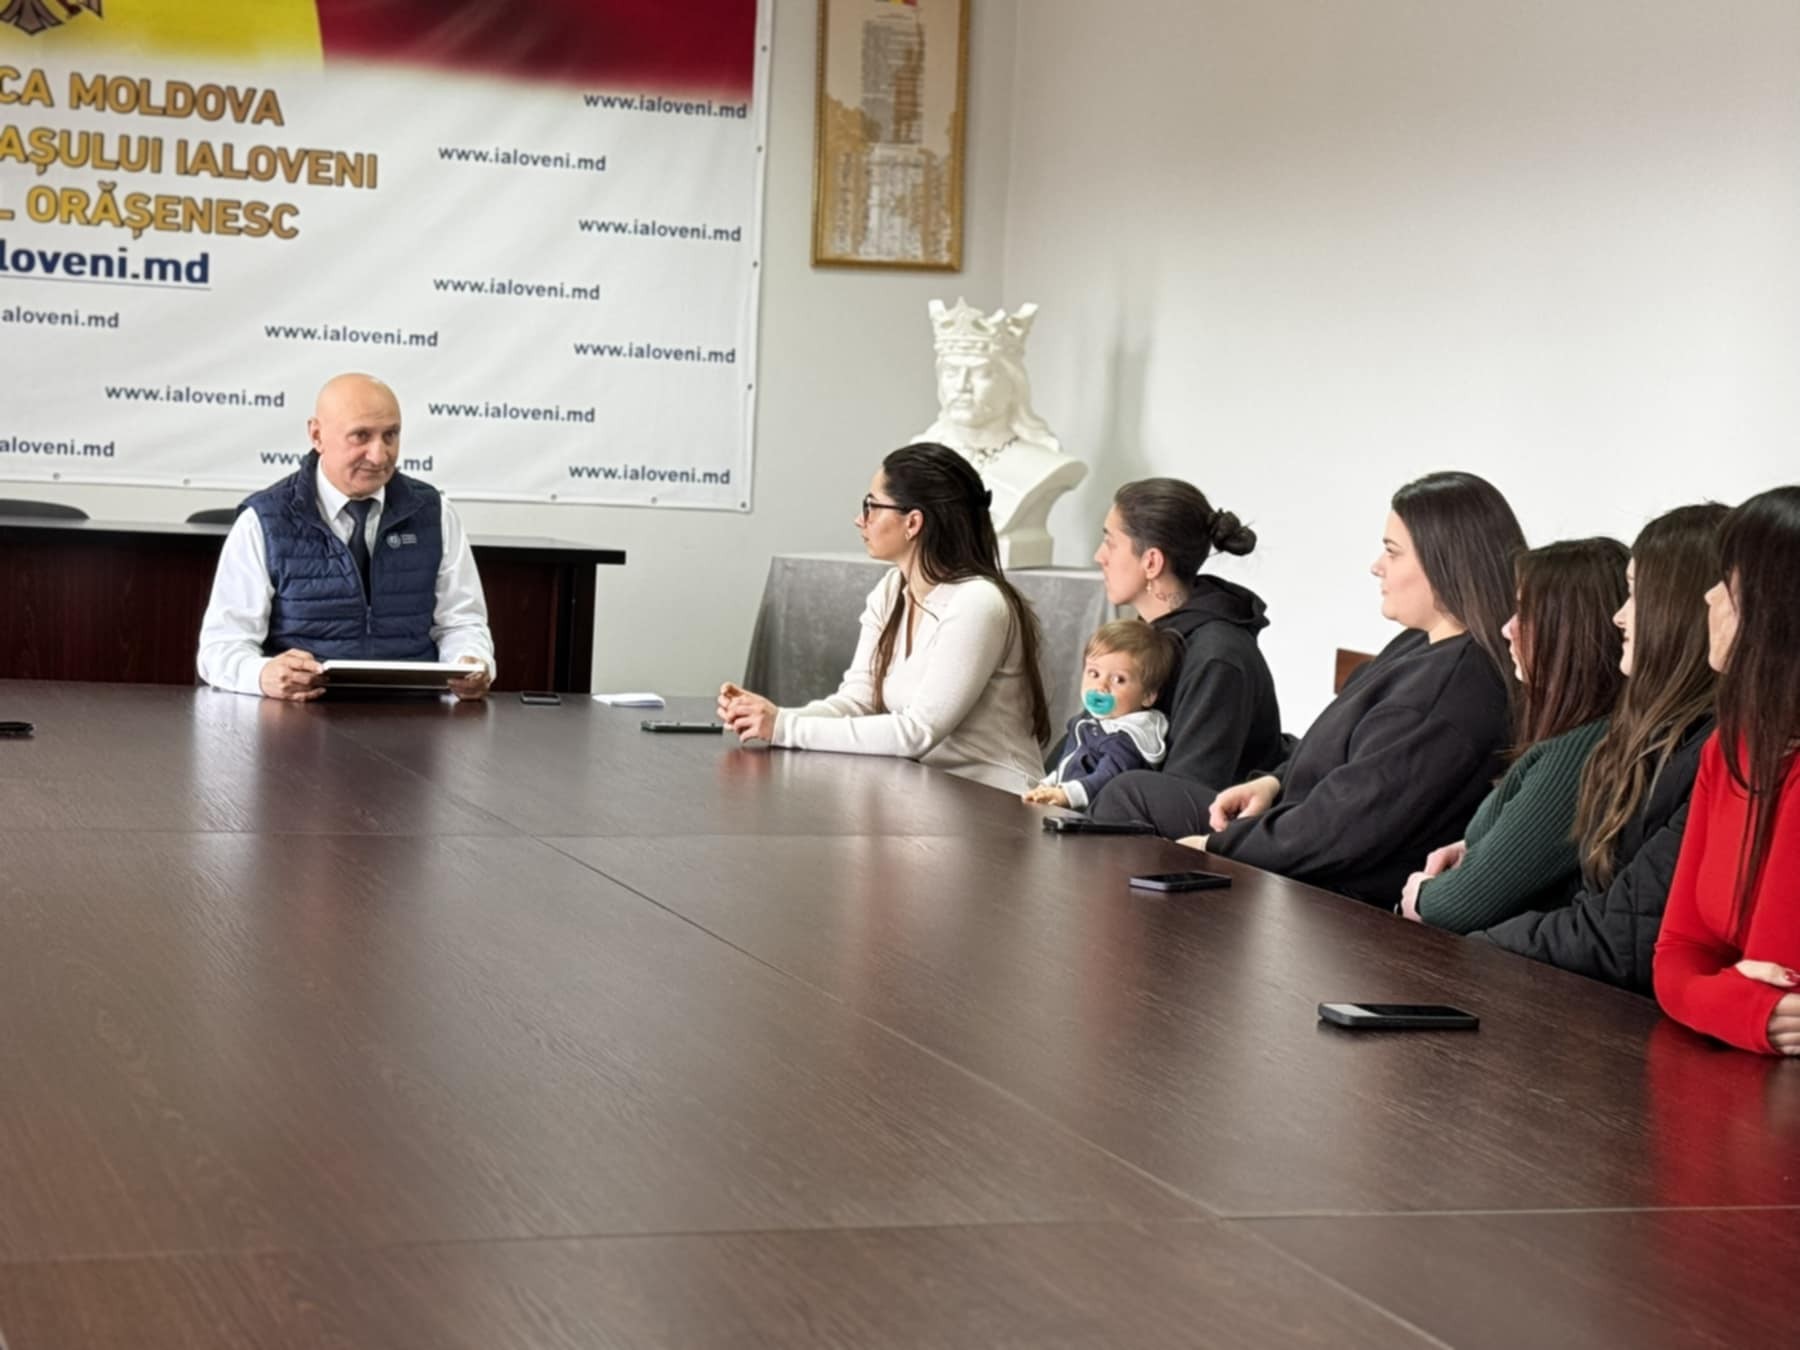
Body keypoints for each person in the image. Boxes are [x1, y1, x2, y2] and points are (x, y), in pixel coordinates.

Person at [1174, 471, 1522, 904]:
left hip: (1327, 893)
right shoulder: (1420, 643)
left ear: (1446, 563)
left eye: (1392, 552)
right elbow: (1340, 760)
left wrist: (1217, 847)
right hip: (1289, 832)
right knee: (1135, 795)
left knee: (1134, 799)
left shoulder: (1452, 691)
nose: (1377, 566)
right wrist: (1274, 784)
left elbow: (1343, 826)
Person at [1475, 505, 1726, 990]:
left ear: (1678, 607)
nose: (1619, 617)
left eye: (1635, 594)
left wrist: (1480, 943)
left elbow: (1621, 936)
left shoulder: (1705, 752)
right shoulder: (1648, 736)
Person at [717, 443, 1051, 791]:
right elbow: (858, 702)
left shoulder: (977, 602)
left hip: (999, 803)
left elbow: (917, 732)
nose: (860, 519)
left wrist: (784, 727)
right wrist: (768, 717)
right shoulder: (892, 588)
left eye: (871, 506)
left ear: (913, 522)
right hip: (931, 792)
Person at [196, 373, 495, 702]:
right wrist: (262, 674)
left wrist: (471, 661)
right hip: (300, 716)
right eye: (361, 436)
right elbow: (220, 648)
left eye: (390, 435)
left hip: (415, 714)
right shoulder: (263, 521)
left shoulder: (435, 513)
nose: (379, 456)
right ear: (317, 435)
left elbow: (462, 623)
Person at [1398, 537, 1628, 932]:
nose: (1508, 629)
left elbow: (1457, 905)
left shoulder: (1580, 756)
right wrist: (1474, 851)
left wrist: (1421, 893)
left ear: (1571, 632)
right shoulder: (1588, 737)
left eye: (1526, 613)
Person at [1654, 486, 1800, 1055]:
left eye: (1729, 582)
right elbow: (1675, 953)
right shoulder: (1730, 747)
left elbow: (1780, 980)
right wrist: (1724, 1002)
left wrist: (1717, 997)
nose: (1710, 596)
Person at [1083, 479, 1286, 831]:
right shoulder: (1150, 634)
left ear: (1151, 561)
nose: (1099, 556)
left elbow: (1180, 807)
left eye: (1110, 543)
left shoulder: (1218, 657)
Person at [1023, 619, 1176, 811]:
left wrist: (1065, 795)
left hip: (1097, 819)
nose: (1101, 686)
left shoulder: (1127, 739)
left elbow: (1107, 777)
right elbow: (1070, 764)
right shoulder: (1088, 724)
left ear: (1148, 696)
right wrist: (1048, 785)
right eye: (1094, 673)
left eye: (1118, 679)